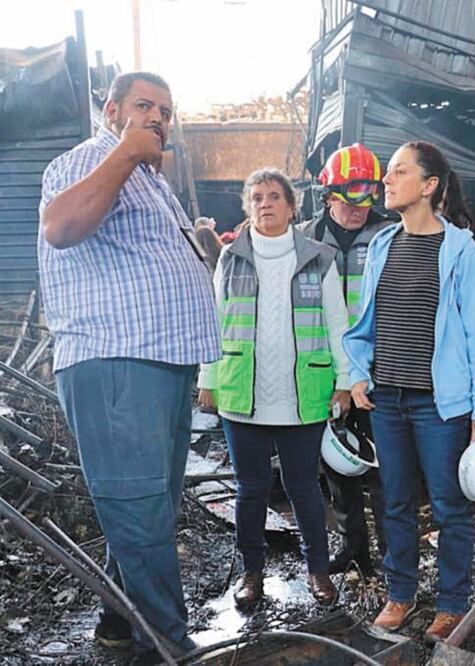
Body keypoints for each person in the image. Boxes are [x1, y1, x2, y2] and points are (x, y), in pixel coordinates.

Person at [38, 71, 220, 662]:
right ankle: (167, 645)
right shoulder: (87, 160)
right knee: (140, 507)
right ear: (112, 110)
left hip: (162, 359)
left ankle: (118, 622)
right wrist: (125, 153)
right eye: (144, 106)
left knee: (150, 505)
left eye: (165, 111)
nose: (158, 119)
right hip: (116, 359)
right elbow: (61, 227)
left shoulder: (152, 182)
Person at [343, 141, 475, 643]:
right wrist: (358, 372)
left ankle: (451, 604)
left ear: (429, 185)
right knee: (395, 502)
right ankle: (401, 594)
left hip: (439, 404)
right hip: (387, 398)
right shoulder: (381, 244)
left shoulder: (460, 249)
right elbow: (367, 320)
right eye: (388, 173)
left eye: (399, 172)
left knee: (450, 505)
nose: (387, 181)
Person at [197, 168, 350, 609]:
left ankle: (318, 571)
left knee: (304, 487)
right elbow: (215, 320)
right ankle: (252, 574)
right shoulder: (230, 258)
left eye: (274, 197)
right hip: (242, 393)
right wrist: (208, 378)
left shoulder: (319, 258)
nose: (265, 204)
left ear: (291, 206)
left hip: (302, 394)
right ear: (249, 207)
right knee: (250, 489)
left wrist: (344, 382)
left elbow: (337, 324)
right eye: (257, 197)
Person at [297, 143, 393, 576]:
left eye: (367, 199)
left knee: (387, 467)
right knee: (337, 463)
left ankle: (391, 557)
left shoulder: (390, 235)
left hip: (379, 368)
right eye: (349, 201)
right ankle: (353, 548)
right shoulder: (304, 239)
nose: (358, 210)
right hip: (325, 369)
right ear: (328, 196)